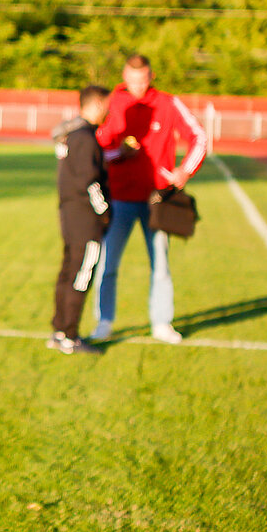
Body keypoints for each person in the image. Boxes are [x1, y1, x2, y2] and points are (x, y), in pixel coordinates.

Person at [91, 54, 208, 344]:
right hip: (118, 199)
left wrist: (185, 171)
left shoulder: (168, 103)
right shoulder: (112, 102)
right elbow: (94, 152)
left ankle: (161, 322)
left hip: (157, 200)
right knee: (108, 264)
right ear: (123, 76)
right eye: (132, 81)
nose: (137, 87)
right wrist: (121, 154)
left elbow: (200, 136)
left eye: (142, 81)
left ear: (151, 76)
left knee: (161, 265)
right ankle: (104, 321)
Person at [48, 84, 112, 354]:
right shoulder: (85, 137)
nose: (108, 111)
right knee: (80, 276)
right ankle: (69, 336)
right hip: (86, 220)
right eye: (106, 105)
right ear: (96, 104)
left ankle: (59, 330)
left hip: (70, 216)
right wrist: (105, 212)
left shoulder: (70, 135)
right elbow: (89, 181)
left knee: (68, 272)